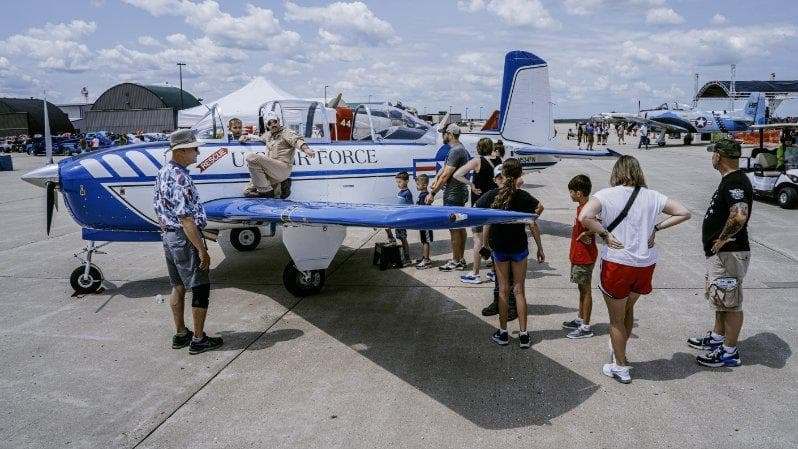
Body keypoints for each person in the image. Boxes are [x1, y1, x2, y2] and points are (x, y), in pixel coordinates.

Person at [579, 155, 691, 384]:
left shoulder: (606, 195)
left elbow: (585, 216)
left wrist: (604, 234)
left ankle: (620, 366)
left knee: (615, 319)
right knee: (629, 309)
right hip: (644, 264)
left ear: (617, 172)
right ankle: (621, 353)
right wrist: (656, 228)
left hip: (618, 263)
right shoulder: (652, 196)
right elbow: (683, 212)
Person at [153, 130, 223, 355]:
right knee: (200, 287)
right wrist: (202, 250)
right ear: (181, 151)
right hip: (183, 237)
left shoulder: (164, 172)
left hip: (168, 236)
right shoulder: (180, 177)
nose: (198, 152)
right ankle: (199, 339)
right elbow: (186, 219)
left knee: (178, 286)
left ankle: (181, 333)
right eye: (194, 148)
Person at [687, 138, 752, 368]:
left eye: (713, 153)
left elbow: (739, 215)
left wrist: (723, 239)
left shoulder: (735, 182)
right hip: (723, 255)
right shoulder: (730, 180)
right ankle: (717, 338)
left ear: (719, 157)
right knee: (721, 299)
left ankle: (729, 352)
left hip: (730, 254)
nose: (712, 157)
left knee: (730, 302)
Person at [478, 159, 544, 348]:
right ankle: (523, 335)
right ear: (520, 176)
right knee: (520, 291)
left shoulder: (492, 195)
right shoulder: (523, 196)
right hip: (519, 248)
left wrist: (484, 244)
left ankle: (504, 332)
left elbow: (483, 217)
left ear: (503, 175)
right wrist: (539, 246)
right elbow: (538, 211)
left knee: (503, 290)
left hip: (499, 248)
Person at [453, 138, 498, 284]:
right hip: (495, 203)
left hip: (480, 205)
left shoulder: (477, 161)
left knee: (477, 239)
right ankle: (493, 272)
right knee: (492, 239)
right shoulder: (498, 160)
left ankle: (476, 273)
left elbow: (457, 174)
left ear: (478, 148)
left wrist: (471, 183)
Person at [427, 123, 469, 272]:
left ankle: (455, 260)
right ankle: (460, 259)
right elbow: (444, 170)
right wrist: (436, 179)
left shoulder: (456, 151)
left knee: (454, 228)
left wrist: (432, 193)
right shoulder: (459, 149)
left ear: (450, 134)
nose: (443, 135)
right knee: (460, 226)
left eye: (444, 133)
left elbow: (446, 175)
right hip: (458, 193)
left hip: (453, 194)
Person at [244, 112, 316, 198]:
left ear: (278, 121)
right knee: (248, 191)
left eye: (275, 121)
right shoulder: (268, 135)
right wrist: (246, 137)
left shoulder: (286, 132)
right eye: (270, 123)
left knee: (251, 158)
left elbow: (296, 140)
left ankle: (266, 192)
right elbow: (258, 137)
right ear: (267, 126)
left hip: (282, 167)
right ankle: (280, 189)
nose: (273, 124)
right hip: (270, 170)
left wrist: (306, 149)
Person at [563, 174, 598, 339]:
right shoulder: (582, 208)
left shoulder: (587, 210)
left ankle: (586, 327)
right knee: (581, 289)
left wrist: (587, 232)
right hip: (579, 255)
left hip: (585, 256)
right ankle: (580, 318)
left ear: (578, 193)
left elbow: (600, 225)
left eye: (571, 192)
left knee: (586, 289)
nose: (569, 195)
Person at [385, 171, 413, 265]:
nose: (398, 184)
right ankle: (392, 241)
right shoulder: (400, 192)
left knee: (403, 238)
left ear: (406, 181)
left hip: (402, 219)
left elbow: (410, 206)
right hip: (397, 217)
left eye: (400, 182)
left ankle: (407, 258)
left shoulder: (407, 193)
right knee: (388, 228)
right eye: (397, 182)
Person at [414, 174, 434, 269]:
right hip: (422, 223)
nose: (416, 186)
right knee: (423, 241)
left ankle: (426, 260)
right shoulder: (422, 195)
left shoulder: (425, 196)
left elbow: (424, 211)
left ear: (425, 185)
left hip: (426, 223)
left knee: (426, 241)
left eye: (418, 184)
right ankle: (424, 257)